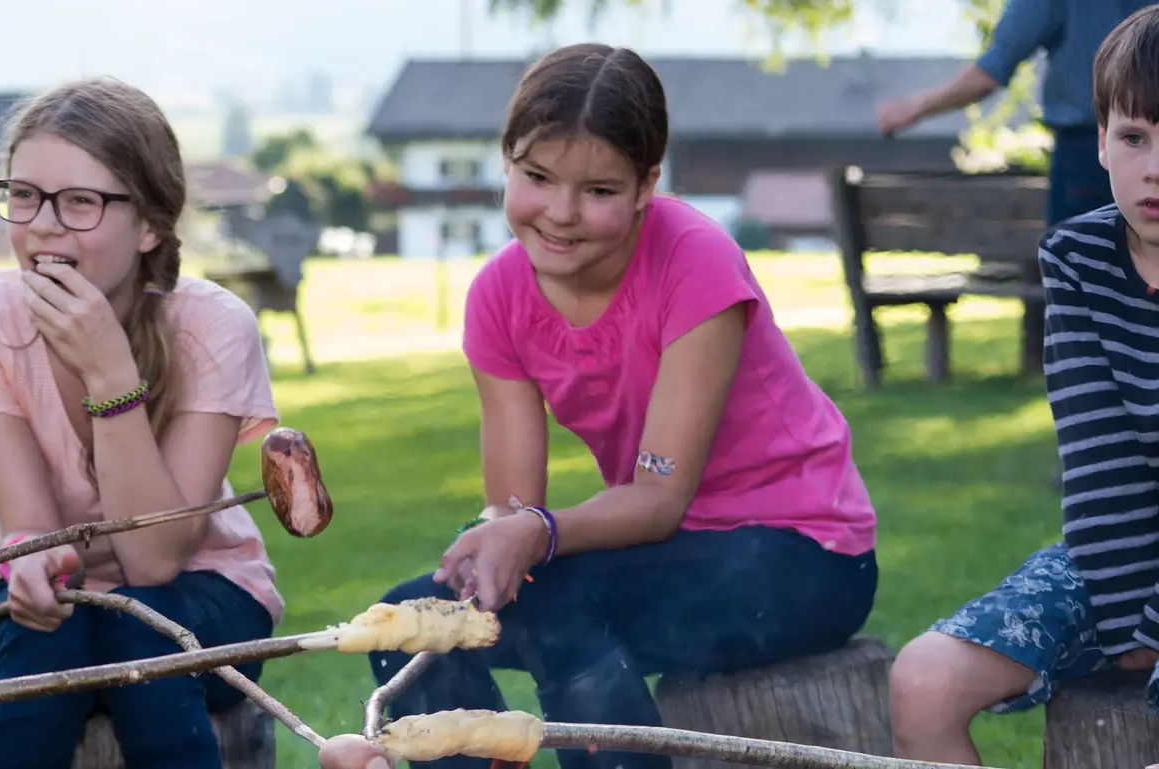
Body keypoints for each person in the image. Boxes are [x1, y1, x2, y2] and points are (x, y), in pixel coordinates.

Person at [362, 43, 880, 769]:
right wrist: (492, 546)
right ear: (506, 161)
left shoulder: (694, 258)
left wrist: (532, 532)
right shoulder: (499, 296)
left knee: (562, 606)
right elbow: (513, 506)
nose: (562, 214)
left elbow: (659, 496)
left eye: (599, 190)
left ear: (646, 185)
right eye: (536, 177)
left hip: (802, 553)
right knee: (409, 626)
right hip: (662, 554)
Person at [0, 76, 283, 769]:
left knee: (140, 636)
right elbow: (31, 527)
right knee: (46, 642)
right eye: (24, 195)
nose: (43, 224)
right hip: (29, 595)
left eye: (80, 201)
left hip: (204, 585)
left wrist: (112, 376)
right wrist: (25, 552)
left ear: (149, 224)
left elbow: (152, 558)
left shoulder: (212, 327)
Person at [887, 7, 1159, 765]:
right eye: (1135, 137)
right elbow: (1098, 465)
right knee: (922, 679)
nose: (1155, 167)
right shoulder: (1078, 258)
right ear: (1099, 137)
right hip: (1107, 561)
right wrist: (1128, 628)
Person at [875, 0, 1156, 227]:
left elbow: (991, 70)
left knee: (1079, 283)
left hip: (1086, 159)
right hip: (1100, 151)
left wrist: (913, 109)